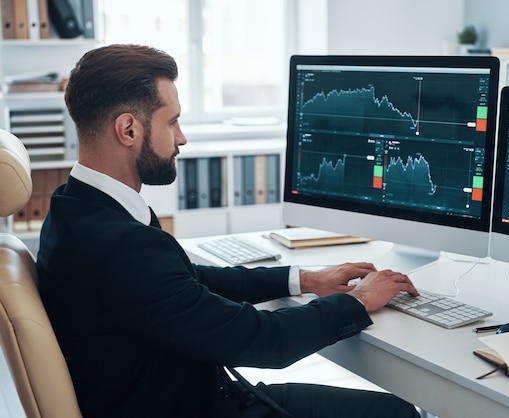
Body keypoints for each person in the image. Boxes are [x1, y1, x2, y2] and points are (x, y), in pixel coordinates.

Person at [36, 44, 420, 418]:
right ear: (128, 129)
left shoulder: (75, 207)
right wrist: (360, 300)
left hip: (185, 395)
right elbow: (264, 341)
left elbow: (185, 282)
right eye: (172, 122)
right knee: (394, 412)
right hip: (196, 407)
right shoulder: (120, 246)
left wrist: (303, 279)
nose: (182, 137)